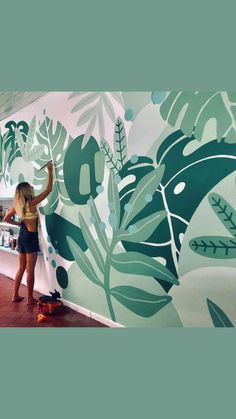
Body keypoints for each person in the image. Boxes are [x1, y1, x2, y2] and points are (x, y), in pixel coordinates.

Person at [3, 161, 53, 304]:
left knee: (21, 268)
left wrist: (18, 223)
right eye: (30, 188)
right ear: (26, 191)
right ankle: (30, 298)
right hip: (30, 237)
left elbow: (6, 218)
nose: (32, 188)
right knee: (30, 270)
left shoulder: (18, 206)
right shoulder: (31, 203)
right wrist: (50, 172)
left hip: (22, 235)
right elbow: (48, 190)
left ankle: (15, 295)